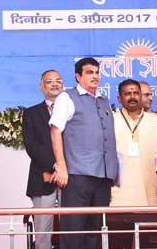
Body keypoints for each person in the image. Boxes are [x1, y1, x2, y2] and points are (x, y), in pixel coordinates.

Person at [49, 58, 117, 249]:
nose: (94, 76)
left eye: (96, 72)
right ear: (78, 76)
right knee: (73, 230)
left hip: (103, 178)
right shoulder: (67, 97)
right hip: (77, 176)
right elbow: (55, 131)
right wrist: (61, 166)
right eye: (89, 72)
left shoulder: (103, 100)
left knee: (94, 231)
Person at [22, 70, 63, 249]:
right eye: (49, 81)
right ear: (41, 86)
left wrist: (66, 168)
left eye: (58, 81)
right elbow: (32, 146)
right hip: (43, 178)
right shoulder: (31, 113)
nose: (54, 84)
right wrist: (56, 166)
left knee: (73, 231)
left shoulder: (73, 111)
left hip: (71, 178)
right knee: (43, 235)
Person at [111, 79, 157, 206]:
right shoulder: (111, 120)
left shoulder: (156, 121)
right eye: (128, 94)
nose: (132, 97)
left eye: (136, 93)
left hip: (150, 187)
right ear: (119, 99)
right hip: (119, 189)